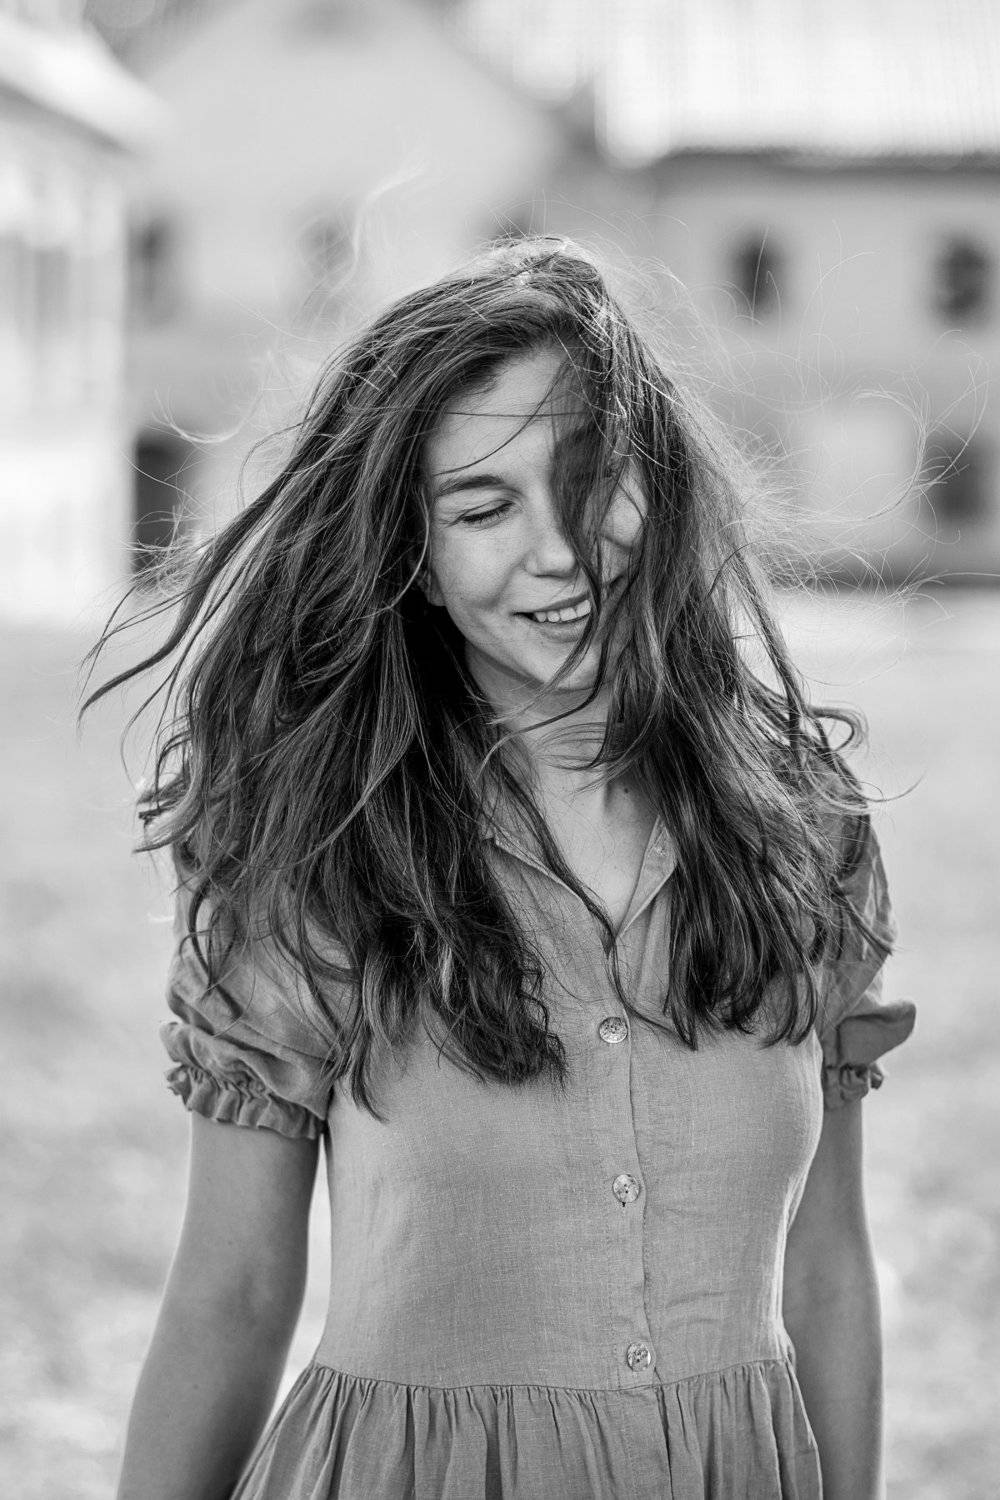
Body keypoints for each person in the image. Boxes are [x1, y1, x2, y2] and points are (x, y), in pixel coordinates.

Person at [84, 236, 916, 1500]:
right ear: (409, 556)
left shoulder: (802, 830)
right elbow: (233, 1295)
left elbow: (827, 1268)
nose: (559, 551)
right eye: (482, 509)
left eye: (590, 478)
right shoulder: (321, 860)